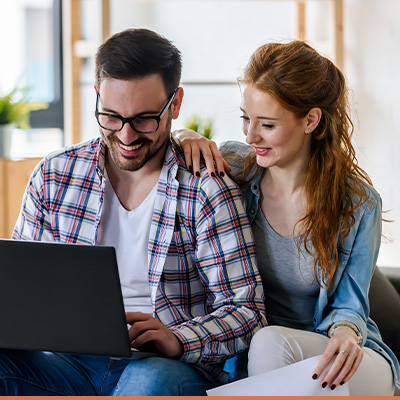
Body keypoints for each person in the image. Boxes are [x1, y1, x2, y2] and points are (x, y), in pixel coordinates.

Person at [0, 28, 267, 396]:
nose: (126, 137)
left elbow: (248, 311)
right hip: (67, 361)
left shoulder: (206, 190)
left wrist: (178, 339)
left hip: (163, 366)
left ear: (175, 104)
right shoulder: (54, 174)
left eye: (144, 119)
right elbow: (16, 288)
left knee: (150, 386)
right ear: (97, 97)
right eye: (111, 116)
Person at [174, 40, 400, 395]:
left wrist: (345, 334)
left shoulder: (358, 204)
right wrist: (184, 135)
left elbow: (350, 305)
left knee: (268, 344)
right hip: (263, 358)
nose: (250, 136)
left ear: (310, 119)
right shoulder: (235, 167)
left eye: (266, 124)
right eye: (245, 119)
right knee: (264, 346)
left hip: (340, 355)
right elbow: (170, 149)